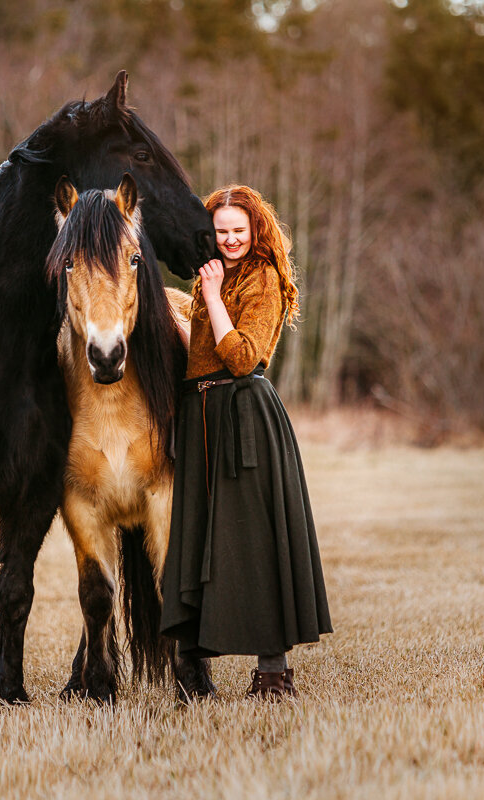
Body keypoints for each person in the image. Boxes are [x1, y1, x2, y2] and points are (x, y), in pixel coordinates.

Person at [160, 184, 332, 699]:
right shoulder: (212, 274)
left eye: (239, 231)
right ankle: (192, 668)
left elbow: (240, 359)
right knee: (198, 535)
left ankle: (274, 674)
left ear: (256, 230)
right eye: (221, 232)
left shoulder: (264, 280)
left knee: (254, 537)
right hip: (201, 416)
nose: (231, 240)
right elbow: (206, 356)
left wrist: (210, 299)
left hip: (245, 417)